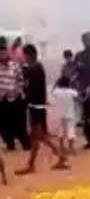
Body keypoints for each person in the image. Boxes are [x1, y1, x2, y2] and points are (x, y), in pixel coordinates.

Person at [15, 44, 68, 175]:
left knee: (38, 136)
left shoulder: (34, 68)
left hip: (35, 106)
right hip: (37, 105)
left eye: (24, 55)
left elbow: (26, 83)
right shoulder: (37, 67)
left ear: (29, 55)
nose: (23, 58)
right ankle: (35, 163)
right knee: (38, 137)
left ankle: (56, 157)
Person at [0, 36, 30, 151]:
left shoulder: (15, 66)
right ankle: (10, 144)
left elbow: (20, 81)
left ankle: (26, 146)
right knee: (4, 125)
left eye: (4, 54)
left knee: (20, 125)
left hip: (15, 100)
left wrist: (17, 92)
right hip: (2, 102)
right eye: (0, 55)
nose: (2, 57)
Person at [51, 76, 79, 154]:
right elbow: (77, 98)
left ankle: (61, 147)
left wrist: (56, 83)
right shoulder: (72, 92)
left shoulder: (56, 91)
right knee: (71, 130)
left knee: (61, 130)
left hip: (60, 113)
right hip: (70, 114)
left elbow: (53, 90)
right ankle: (71, 147)